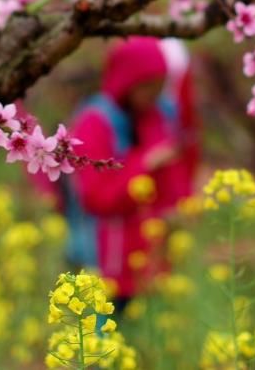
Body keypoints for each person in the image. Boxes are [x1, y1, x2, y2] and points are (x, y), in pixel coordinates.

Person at [64, 36, 198, 310]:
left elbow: (174, 175)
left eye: (160, 87)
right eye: (148, 87)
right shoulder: (95, 123)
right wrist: (144, 165)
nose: (155, 95)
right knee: (102, 347)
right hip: (107, 267)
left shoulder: (157, 116)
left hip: (153, 265)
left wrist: (183, 205)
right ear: (127, 81)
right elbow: (96, 198)